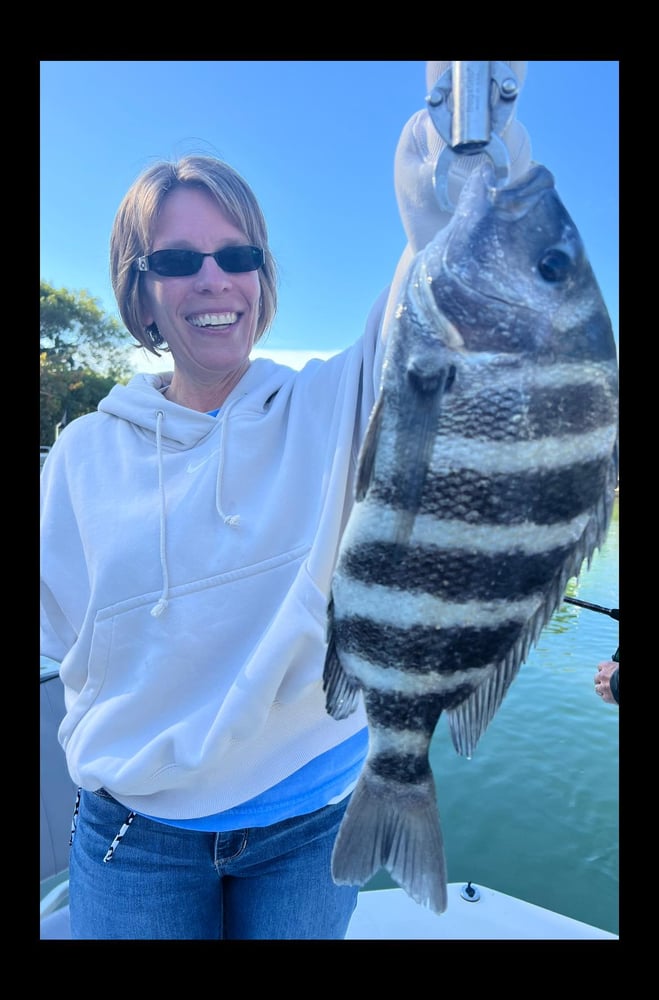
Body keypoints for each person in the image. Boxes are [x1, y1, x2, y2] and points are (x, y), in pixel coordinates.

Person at [40, 61, 531, 940]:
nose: (213, 280)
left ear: (262, 279)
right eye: (178, 261)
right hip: (135, 833)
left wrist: (467, 124)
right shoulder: (81, 454)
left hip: (309, 820)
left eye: (238, 256)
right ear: (140, 293)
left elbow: (442, 257)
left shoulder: (327, 402)